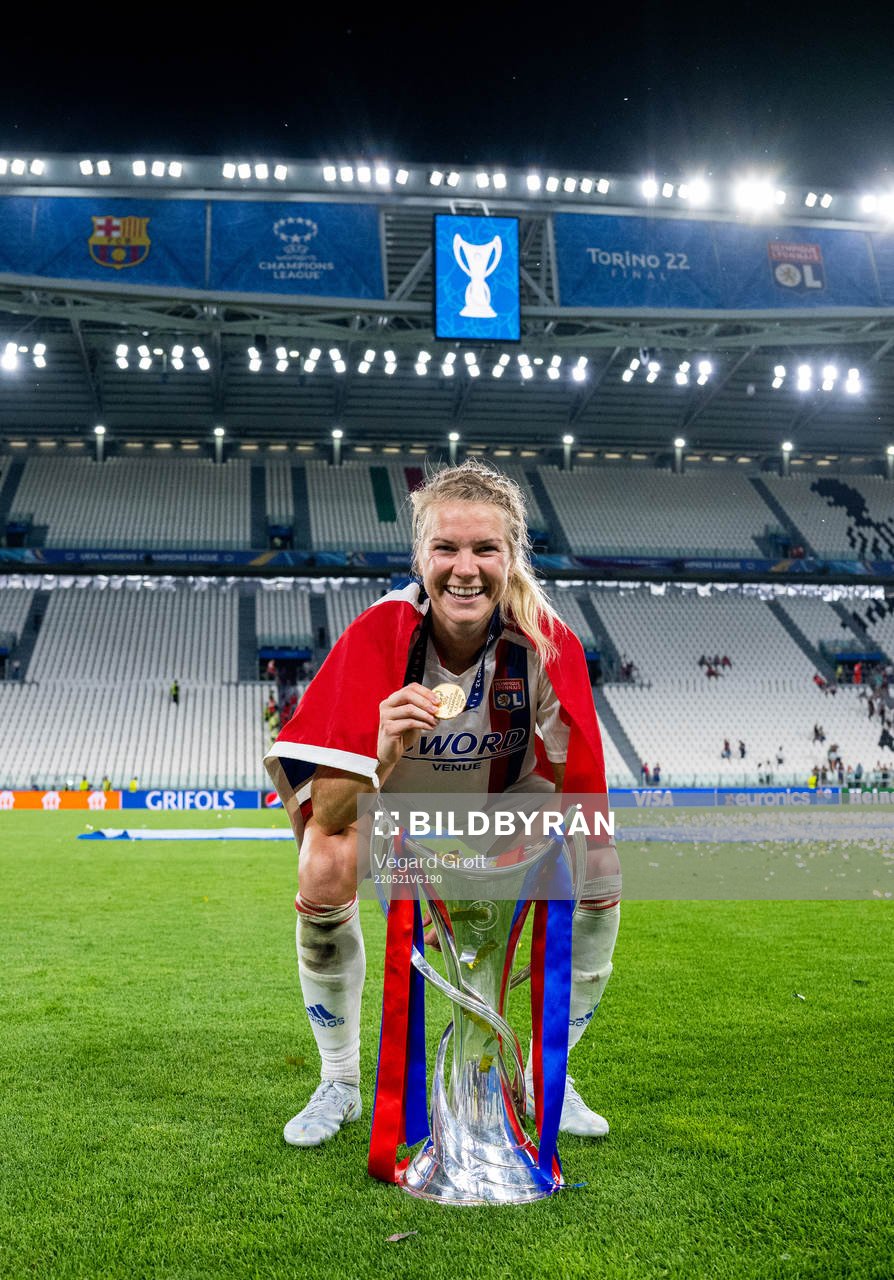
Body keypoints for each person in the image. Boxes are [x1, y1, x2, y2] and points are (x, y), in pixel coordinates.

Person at [265, 460, 620, 1150]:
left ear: (512, 556)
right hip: (397, 814)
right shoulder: (379, 635)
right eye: (446, 548)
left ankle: (553, 1071)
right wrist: (384, 748)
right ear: (419, 557)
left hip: (499, 811)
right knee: (323, 861)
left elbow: (576, 788)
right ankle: (339, 1079)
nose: (466, 568)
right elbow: (330, 811)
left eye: (486, 548)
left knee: (600, 863)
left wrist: (559, 863)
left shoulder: (548, 643)